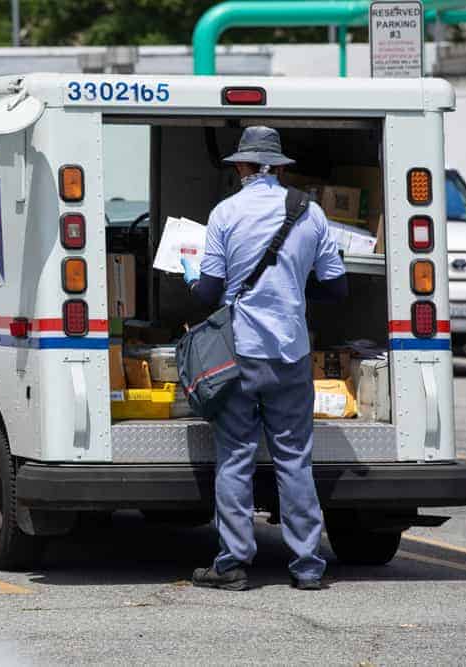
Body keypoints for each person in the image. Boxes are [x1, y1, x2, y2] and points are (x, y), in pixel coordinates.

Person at [181, 126, 348, 591]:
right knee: (295, 459)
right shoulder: (311, 214)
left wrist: (190, 277)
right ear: (279, 168)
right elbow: (337, 287)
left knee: (234, 456)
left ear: (241, 167)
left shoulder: (225, 213)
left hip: (239, 355)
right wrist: (291, 285)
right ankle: (308, 566)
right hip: (291, 353)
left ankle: (232, 562)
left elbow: (209, 292)